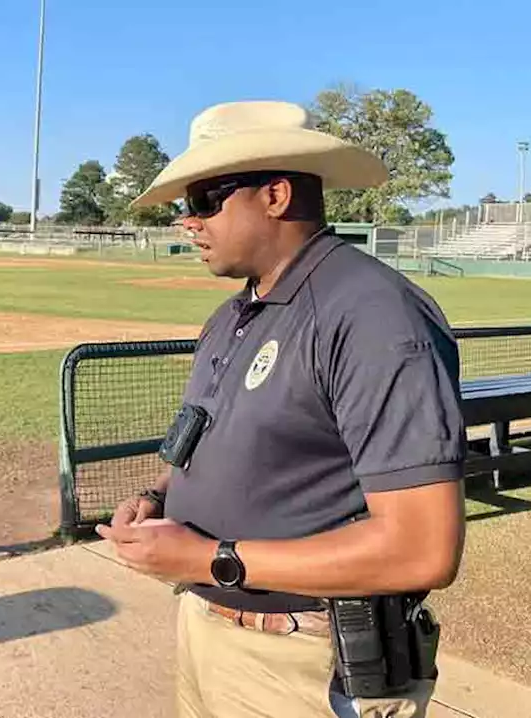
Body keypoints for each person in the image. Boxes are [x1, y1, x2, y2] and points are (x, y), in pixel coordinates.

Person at [95, 100, 467, 718]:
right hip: (210, 631)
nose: (189, 221)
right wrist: (157, 498)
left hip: (306, 659)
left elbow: (423, 548)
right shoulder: (234, 315)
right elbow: (211, 441)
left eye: (207, 199)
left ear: (275, 195)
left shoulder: (371, 313)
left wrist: (206, 559)